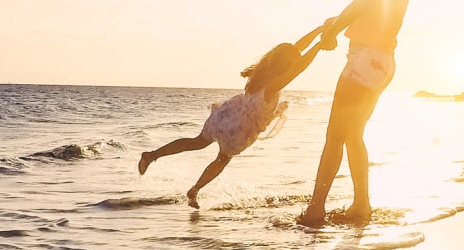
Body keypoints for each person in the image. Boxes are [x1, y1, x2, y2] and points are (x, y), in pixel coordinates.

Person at [298, 0, 429, 227]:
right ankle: (361, 206)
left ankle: (315, 210)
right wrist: (338, 24)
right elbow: (372, 12)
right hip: (381, 63)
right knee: (353, 135)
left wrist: (333, 33)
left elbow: (360, 4)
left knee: (335, 137)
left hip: (364, 62)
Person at [138, 25, 328, 208]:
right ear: (286, 65)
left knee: (196, 142)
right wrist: (320, 45)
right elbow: (300, 65)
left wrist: (319, 30)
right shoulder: (274, 84)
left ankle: (152, 155)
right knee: (222, 159)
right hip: (240, 129)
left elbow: (295, 49)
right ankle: (194, 190)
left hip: (227, 116)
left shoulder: (263, 70)